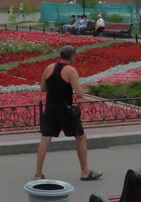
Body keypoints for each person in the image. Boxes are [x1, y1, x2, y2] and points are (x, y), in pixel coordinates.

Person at [34, 45, 101, 182]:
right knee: (81, 137)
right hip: (66, 111)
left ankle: (38, 174)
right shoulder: (70, 70)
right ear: (71, 56)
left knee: (45, 140)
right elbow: (80, 94)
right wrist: (81, 89)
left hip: (50, 109)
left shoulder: (49, 68)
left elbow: (43, 88)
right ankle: (85, 172)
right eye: (75, 56)